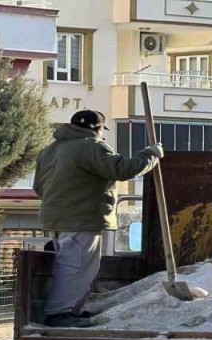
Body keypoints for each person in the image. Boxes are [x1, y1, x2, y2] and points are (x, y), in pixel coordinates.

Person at [34, 110, 163, 328]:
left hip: (56, 217)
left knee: (77, 266)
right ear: (97, 128)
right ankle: (57, 314)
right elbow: (122, 169)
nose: (103, 134)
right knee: (75, 267)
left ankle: (70, 310)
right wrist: (151, 154)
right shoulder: (91, 146)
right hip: (81, 217)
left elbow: (39, 187)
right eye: (103, 129)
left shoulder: (49, 151)